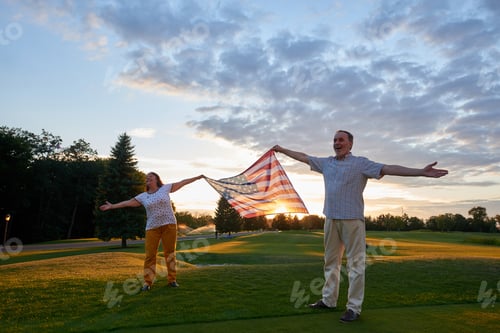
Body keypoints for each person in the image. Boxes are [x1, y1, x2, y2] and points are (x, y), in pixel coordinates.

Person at [272, 130, 448, 323]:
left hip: (352, 221)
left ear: (350, 144)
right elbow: (303, 157)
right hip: (330, 219)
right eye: (335, 140)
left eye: (341, 140)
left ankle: (353, 308)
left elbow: (388, 168)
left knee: (355, 265)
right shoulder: (327, 163)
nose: (337, 143)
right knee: (331, 263)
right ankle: (328, 300)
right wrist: (281, 149)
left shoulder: (360, 163)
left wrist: (421, 172)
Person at [99, 172, 205, 291]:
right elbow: (127, 202)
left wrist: (197, 178)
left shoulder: (165, 188)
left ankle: (172, 280)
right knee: (150, 256)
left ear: (156, 179)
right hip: (152, 228)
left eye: (150, 176)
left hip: (169, 225)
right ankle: (148, 282)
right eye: (146, 178)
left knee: (170, 253)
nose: (148, 178)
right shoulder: (143, 196)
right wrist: (112, 206)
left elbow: (182, 182)